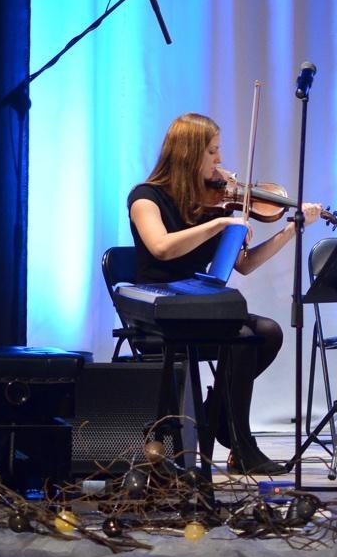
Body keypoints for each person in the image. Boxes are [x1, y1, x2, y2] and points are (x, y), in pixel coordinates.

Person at [128, 112, 323, 473]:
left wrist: (290, 230)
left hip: (199, 305)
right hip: (161, 309)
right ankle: (240, 441)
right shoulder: (146, 198)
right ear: (189, 154)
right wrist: (218, 223)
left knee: (267, 332)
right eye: (213, 152)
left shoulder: (211, 203)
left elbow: (244, 265)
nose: (220, 162)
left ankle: (219, 416)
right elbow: (161, 248)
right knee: (245, 334)